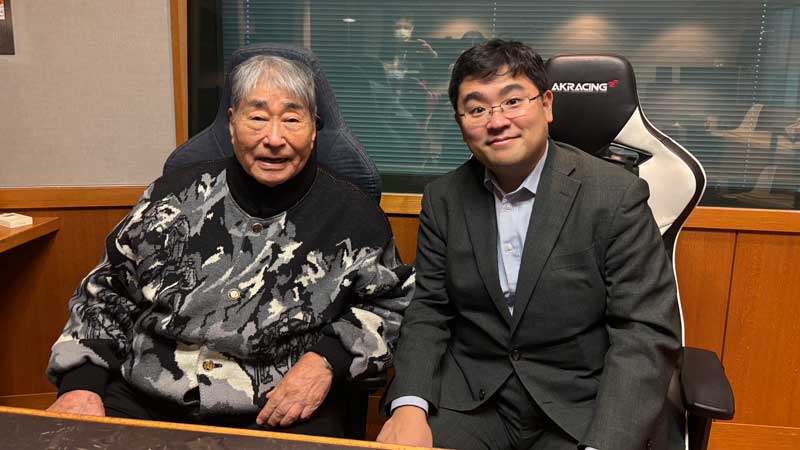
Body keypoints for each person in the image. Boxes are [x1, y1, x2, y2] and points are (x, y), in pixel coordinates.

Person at [46, 55, 414, 438]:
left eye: (292, 119)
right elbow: (104, 295)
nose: (274, 138)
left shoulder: (355, 216)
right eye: (258, 118)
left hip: (278, 408)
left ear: (314, 129)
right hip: (147, 396)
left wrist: (326, 360)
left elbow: (389, 305)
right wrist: (81, 385)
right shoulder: (169, 199)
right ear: (233, 124)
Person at [378, 39, 682, 450]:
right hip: (474, 399)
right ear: (460, 122)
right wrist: (409, 406)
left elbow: (642, 330)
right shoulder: (443, 198)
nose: (497, 121)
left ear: (547, 105)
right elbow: (429, 309)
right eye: (477, 109)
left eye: (512, 101)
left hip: (578, 406)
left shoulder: (614, 195)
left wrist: (606, 442)